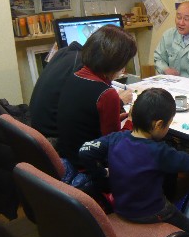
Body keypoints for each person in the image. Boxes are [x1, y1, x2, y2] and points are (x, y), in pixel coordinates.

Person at [79, 88, 189, 234]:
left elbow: (85, 150)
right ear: (158, 124)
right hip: (149, 211)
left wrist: (102, 172)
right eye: (169, 123)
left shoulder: (116, 138)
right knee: (186, 225)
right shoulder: (159, 151)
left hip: (120, 206)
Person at [56, 25, 137, 182]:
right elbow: (115, 147)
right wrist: (132, 121)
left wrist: (120, 116)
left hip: (71, 157)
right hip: (93, 169)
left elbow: (87, 120)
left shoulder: (74, 76)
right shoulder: (107, 94)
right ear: (115, 62)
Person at [29, 41, 132, 142]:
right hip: (58, 139)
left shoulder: (63, 53)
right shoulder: (83, 68)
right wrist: (129, 118)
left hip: (38, 130)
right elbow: (113, 143)